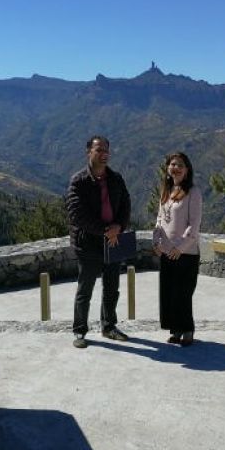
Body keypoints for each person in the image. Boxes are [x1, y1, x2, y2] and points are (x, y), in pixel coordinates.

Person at [66, 135, 131, 349]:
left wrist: (118, 228)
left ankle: (109, 326)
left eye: (106, 150)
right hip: (88, 244)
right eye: (98, 150)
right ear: (89, 152)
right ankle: (79, 331)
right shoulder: (79, 181)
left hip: (113, 241)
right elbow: (76, 215)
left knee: (112, 287)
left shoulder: (116, 178)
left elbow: (125, 205)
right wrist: (106, 230)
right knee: (85, 289)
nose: (103, 153)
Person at [152, 152, 202, 346]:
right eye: (173, 164)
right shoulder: (167, 190)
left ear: (187, 169)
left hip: (186, 253)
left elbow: (194, 225)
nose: (176, 168)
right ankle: (176, 330)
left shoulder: (193, 192)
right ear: (168, 168)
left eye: (180, 165)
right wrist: (156, 243)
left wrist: (180, 247)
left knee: (183, 294)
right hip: (166, 252)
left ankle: (187, 330)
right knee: (170, 294)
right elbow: (159, 220)